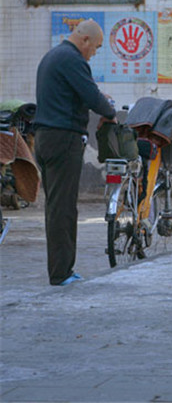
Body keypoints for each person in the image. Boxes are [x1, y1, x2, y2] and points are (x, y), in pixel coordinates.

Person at [34, 19, 116, 286]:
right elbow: (93, 97)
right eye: (96, 47)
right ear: (85, 40)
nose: (95, 53)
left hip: (46, 139)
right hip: (63, 140)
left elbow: (79, 94)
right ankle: (62, 274)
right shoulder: (72, 60)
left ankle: (61, 270)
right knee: (63, 209)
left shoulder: (53, 57)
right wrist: (110, 111)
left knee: (56, 206)